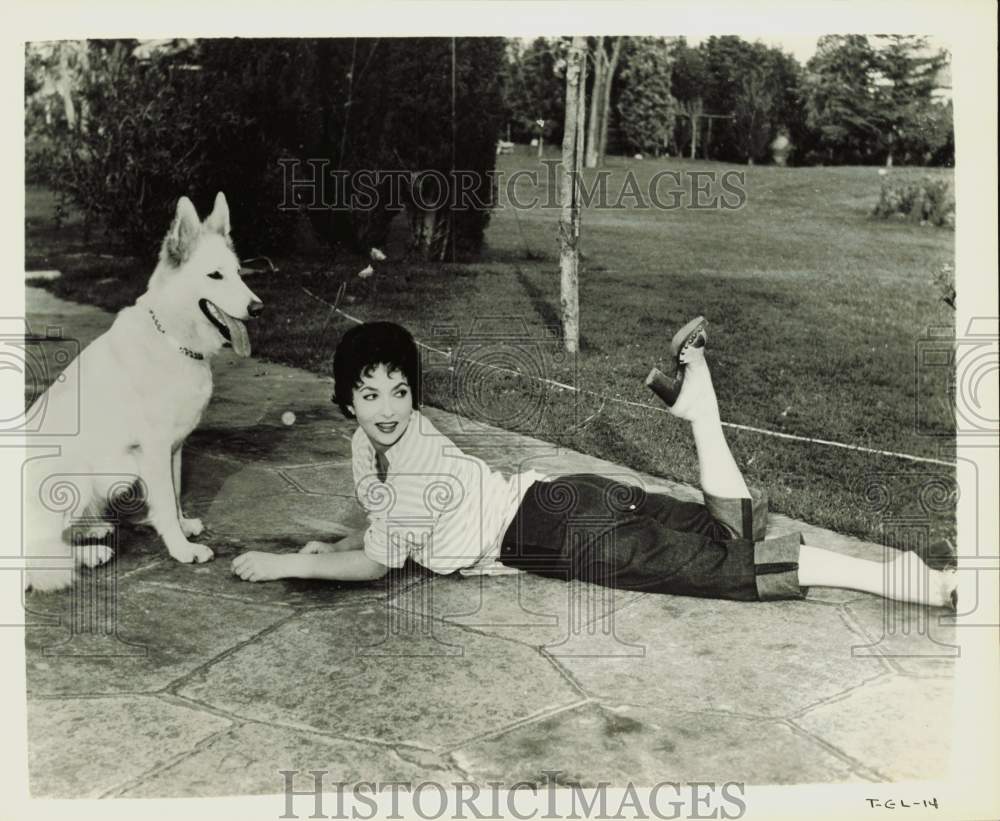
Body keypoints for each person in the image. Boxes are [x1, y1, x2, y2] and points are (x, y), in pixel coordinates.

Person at [231, 319, 957, 610]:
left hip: (559, 534)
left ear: (413, 396)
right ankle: (700, 410)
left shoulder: (407, 465)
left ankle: (921, 585)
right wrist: (338, 540)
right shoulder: (383, 442)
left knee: (734, 567)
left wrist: (283, 563)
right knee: (725, 532)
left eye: (398, 389)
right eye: (370, 392)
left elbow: (376, 564)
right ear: (348, 401)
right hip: (565, 494)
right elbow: (377, 514)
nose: (387, 405)